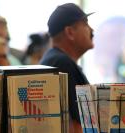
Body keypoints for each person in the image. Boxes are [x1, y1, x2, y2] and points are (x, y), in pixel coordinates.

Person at [39, 3, 94, 132]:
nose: (92, 30)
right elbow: (77, 126)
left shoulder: (55, 60)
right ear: (70, 32)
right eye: (86, 24)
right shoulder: (61, 64)